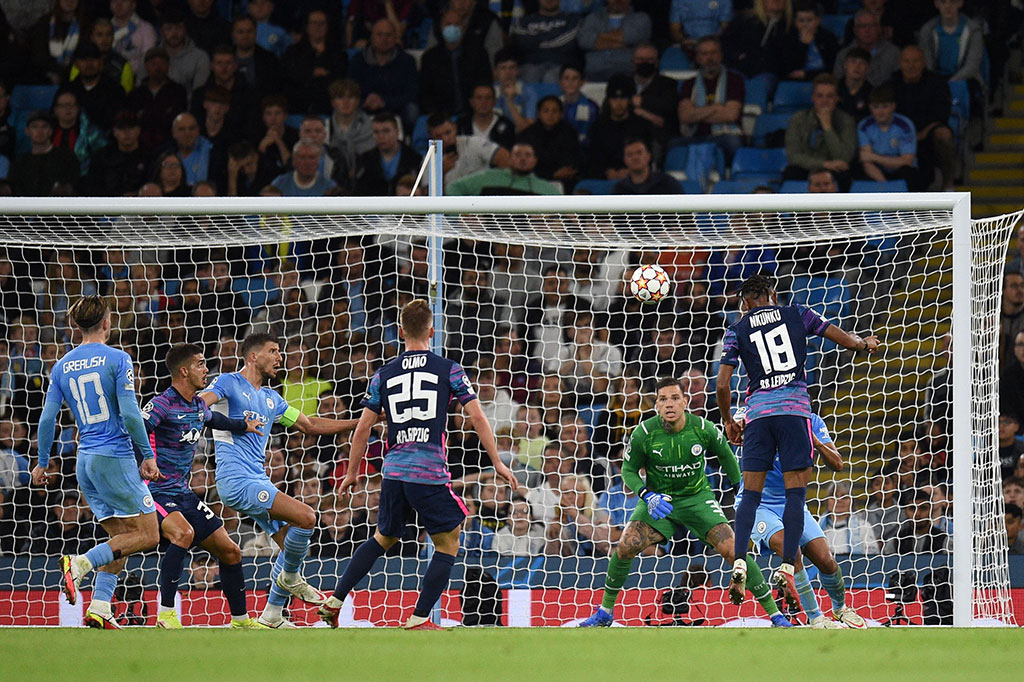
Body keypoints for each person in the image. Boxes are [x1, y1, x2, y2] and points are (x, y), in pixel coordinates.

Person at [318, 299, 519, 630]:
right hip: (427, 470)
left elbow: (363, 427)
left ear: (400, 332)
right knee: (449, 538)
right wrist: (496, 460)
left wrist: (353, 471)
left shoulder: (384, 373)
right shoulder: (449, 368)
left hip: (393, 470)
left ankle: (335, 600)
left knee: (384, 536)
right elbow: (477, 416)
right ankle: (419, 618)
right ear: (432, 331)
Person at [716, 273, 879, 608]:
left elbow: (721, 385)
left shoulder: (737, 330)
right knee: (796, 494)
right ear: (773, 294)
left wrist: (729, 421)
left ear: (745, 302)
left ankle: (741, 561)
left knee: (749, 493)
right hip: (794, 411)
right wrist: (865, 344)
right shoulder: (798, 313)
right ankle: (788, 564)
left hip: (758, 414)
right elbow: (845, 340)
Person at [579, 377, 792, 627]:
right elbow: (628, 470)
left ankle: (775, 614)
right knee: (626, 545)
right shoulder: (644, 433)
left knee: (735, 552)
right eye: (663, 399)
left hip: (697, 500)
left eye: (675, 398)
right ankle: (605, 612)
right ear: (656, 404)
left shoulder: (703, 428)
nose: (669, 404)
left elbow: (727, 457)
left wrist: (740, 492)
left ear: (685, 402)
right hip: (660, 502)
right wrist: (646, 494)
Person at [198, 332, 363, 628]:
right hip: (236, 480)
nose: (279, 357)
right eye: (273, 351)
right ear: (253, 356)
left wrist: (362, 421)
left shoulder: (272, 398)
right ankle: (290, 578)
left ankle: (273, 613)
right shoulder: (228, 382)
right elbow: (200, 404)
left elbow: (309, 424)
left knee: (291, 548)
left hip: (256, 480)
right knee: (307, 517)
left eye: (279, 351)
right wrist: (233, 425)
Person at [31, 295, 162, 629]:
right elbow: (131, 414)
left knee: (121, 540)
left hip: (84, 461)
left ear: (76, 326)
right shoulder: (118, 359)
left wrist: (43, 462)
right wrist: (147, 454)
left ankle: (100, 607)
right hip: (114, 456)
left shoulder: (61, 365)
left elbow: (47, 420)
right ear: (106, 322)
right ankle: (79, 564)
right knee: (149, 535)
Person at [142, 343, 265, 629]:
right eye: (200, 364)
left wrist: (242, 425)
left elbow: (213, 419)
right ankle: (167, 614)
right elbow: (136, 430)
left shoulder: (197, 404)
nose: (206, 369)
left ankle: (240, 620)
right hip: (156, 491)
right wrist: (145, 461)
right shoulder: (162, 403)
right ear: (184, 371)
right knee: (183, 534)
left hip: (183, 493)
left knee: (231, 550)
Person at [740, 412, 868, 628]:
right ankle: (816, 617)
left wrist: (814, 439)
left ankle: (840, 609)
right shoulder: (755, 413)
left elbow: (837, 463)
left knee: (825, 559)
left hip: (792, 502)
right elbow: (734, 429)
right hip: (758, 504)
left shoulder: (813, 421)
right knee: (792, 552)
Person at [783, 74, 857, 190]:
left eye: (829, 96)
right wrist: (824, 164)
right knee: (791, 172)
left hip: (835, 170)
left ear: (837, 98)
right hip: (807, 167)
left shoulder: (846, 121)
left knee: (845, 175)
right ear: (813, 97)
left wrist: (827, 127)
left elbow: (844, 157)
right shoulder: (798, 119)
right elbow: (793, 156)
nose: (824, 101)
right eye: (820, 96)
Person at [678, 36, 745, 162]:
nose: (710, 58)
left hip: (724, 136)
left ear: (721, 55)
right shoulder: (689, 84)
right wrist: (715, 108)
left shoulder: (734, 80)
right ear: (698, 58)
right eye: (704, 54)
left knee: (733, 143)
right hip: (696, 136)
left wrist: (697, 113)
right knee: (673, 145)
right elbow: (684, 116)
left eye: (714, 53)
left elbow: (731, 115)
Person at [418, 10, 493, 117]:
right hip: (441, 116)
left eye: (456, 24)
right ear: (441, 27)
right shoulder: (430, 58)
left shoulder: (479, 53)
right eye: (448, 24)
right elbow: (425, 93)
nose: (452, 28)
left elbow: (485, 82)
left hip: (474, 114)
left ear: (463, 28)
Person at [348, 18, 419, 127]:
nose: (384, 39)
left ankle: (408, 141)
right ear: (371, 37)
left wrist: (385, 101)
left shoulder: (407, 61)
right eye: (379, 35)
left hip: (397, 108)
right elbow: (350, 90)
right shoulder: (358, 60)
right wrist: (364, 101)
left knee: (412, 110)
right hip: (365, 108)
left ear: (395, 37)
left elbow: (412, 93)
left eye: (388, 35)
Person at [856, 84, 918, 188]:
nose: (880, 112)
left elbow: (907, 161)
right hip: (877, 172)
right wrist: (886, 187)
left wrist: (874, 157)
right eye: (875, 107)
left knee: (908, 172)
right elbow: (866, 161)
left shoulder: (905, 125)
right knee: (861, 170)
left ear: (893, 106)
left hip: (900, 170)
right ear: (870, 107)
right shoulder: (864, 126)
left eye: (885, 106)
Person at [577, 0, 652, 82]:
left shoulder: (641, 18)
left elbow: (630, 37)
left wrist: (598, 37)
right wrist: (622, 43)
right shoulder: (592, 18)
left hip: (628, 74)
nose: (617, 0)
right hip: (594, 75)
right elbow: (584, 41)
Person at [448, 142, 560, 196]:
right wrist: (462, 217)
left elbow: (565, 214)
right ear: (510, 158)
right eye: (518, 154)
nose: (523, 159)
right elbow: (452, 188)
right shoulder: (487, 178)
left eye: (528, 155)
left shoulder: (547, 189)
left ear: (535, 160)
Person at [510, 0, 582, 84]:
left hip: (562, 64)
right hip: (530, 65)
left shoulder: (572, 19)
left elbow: (568, 42)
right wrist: (552, 39)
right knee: (530, 75)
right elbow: (521, 41)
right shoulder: (523, 21)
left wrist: (536, 39)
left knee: (551, 77)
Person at [10, 111, 80, 196]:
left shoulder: (67, 158)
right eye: (34, 127)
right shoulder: (19, 163)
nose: (39, 131)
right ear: (27, 131)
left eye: (44, 126)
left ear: (50, 131)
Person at [517, 96, 583, 185]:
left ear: (561, 114)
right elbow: (524, 164)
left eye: (555, 111)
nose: (550, 115)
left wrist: (564, 172)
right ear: (538, 113)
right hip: (535, 180)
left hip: (565, 179)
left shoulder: (569, 132)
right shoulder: (528, 135)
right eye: (546, 111)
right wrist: (551, 174)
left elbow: (574, 159)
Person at [354, 113, 423, 196]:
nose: (381, 136)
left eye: (386, 131)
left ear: (397, 131)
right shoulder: (365, 160)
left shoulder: (414, 158)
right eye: (376, 132)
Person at [85, 110, 149, 196]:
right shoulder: (102, 156)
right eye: (121, 128)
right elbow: (92, 187)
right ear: (114, 132)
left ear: (138, 130)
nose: (127, 133)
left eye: (131, 127)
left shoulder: (148, 156)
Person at [833, 9, 900, 87]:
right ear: (855, 30)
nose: (867, 30)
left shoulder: (894, 53)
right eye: (862, 26)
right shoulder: (844, 55)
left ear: (879, 29)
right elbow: (836, 85)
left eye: (872, 26)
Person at [613, 137, 684, 194]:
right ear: (625, 160)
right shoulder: (619, 189)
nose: (635, 157)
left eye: (639, 153)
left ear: (648, 156)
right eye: (630, 155)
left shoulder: (668, 183)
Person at [271, 139, 337, 197]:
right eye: (302, 157)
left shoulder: (330, 188)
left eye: (312, 158)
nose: (307, 162)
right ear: (294, 161)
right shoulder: (279, 184)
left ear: (318, 161)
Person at [837, 47, 873, 121]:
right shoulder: (834, 88)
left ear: (867, 68)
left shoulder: (872, 93)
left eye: (862, 63)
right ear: (845, 64)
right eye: (853, 61)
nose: (857, 66)